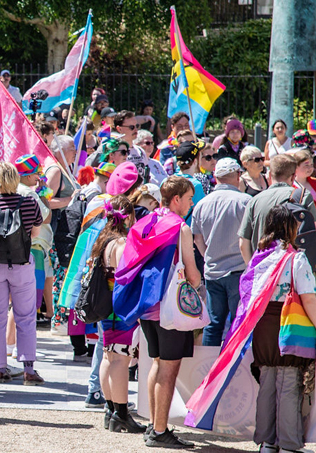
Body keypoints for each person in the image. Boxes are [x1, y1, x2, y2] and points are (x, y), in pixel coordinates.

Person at [244, 204, 316, 453]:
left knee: (267, 381)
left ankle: (267, 442)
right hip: (290, 323)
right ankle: (289, 444)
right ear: (290, 228)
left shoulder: (259, 256)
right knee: (290, 383)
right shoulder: (295, 258)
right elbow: (309, 298)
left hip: (263, 325)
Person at [136, 176, 202, 448]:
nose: (191, 203)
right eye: (188, 198)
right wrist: (196, 282)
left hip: (147, 306)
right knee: (169, 370)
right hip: (170, 310)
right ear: (176, 199)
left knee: (157, 363)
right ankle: (160, 431)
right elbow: (193, 275)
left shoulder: (147, 222)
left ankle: (154, 425)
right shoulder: (180, 228)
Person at [85, 195, 145, 434]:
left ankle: (111, 410)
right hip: (119, 308)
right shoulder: (121, 243)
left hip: (105, 308)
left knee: (109, 358)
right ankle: (121, 413)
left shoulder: (102, 240)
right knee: (120, 359)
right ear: (128, 216)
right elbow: (125, 279)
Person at [0, 162, 46, 385]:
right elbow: (36, 232)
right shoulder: (29, 202)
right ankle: (29, 369)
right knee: (26, 317)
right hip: (21, 264)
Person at [192, 158, 251, 346]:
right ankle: (235, 368)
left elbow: (197, 238)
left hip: (213, 271)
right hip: (238, 270)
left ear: (216, 177)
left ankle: (210, 369)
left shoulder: (202, 204)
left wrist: (208, 256)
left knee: (213, 324)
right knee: (238, 322)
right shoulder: (245, 201)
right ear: (238, 176)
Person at [239, 154, 316, 257]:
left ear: (269, 175)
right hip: (293, 268)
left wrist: (253, 269)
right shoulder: (303, 196)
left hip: (262, 269)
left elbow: (243, 243)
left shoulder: (254, 201)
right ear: (293, 176)